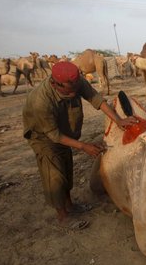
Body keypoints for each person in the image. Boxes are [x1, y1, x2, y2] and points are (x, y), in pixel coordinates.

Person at [22, 61, 137, 229]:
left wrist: (119, 120)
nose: (74, 93)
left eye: (75, 89)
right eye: (68, 91)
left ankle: (70, 205)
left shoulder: (75, 82)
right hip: (43, 137)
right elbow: (54, 135)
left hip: (63, 132)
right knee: (54, 175)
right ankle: (63, 216)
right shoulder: (40, 101)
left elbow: (96, 99)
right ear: (54, 83)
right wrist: (84, 146)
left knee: (66, 168)